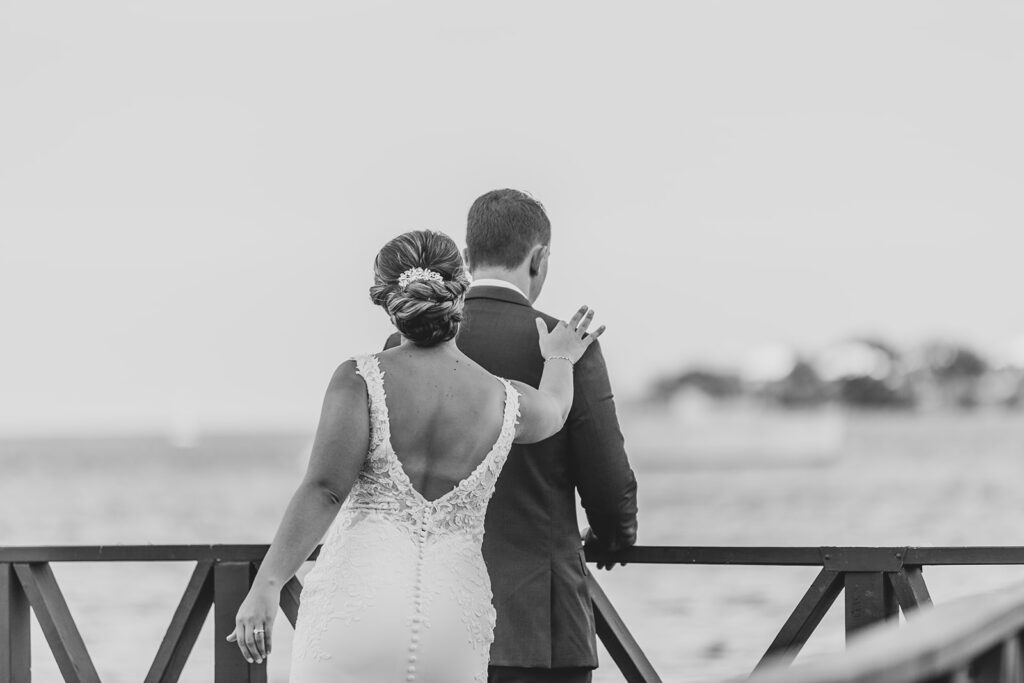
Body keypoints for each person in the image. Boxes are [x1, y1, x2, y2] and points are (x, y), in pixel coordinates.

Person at [228, 229, 605, 683]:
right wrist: (560, 357)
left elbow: (324, 490)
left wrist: (268, 585)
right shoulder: (504, 399)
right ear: (458, 293)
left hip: (357, 610)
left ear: (389, 301)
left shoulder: (360, 378)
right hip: (451, 623)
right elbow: (557, 410)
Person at [385, 190, 639, 683]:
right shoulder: (565, 344)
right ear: (539, 258)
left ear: (464, 254)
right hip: (535, 627)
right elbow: (607, 478)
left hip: (427, 620)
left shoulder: (404, 344)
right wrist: (613, 538)